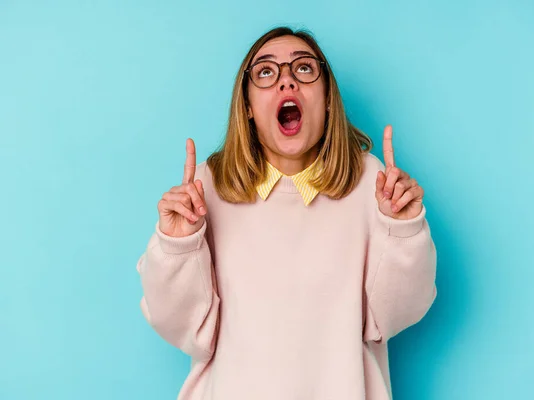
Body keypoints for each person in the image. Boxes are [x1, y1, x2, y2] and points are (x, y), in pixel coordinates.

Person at [136, 26, 437, 400]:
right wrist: (178, 246)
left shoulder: (372, 182)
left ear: (327, 97)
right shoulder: (207, 188)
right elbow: (187, 329)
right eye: (266, 72)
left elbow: (394, 315)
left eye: (304, 69)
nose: (287, 82)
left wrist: (403, 229)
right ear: (246, 105)